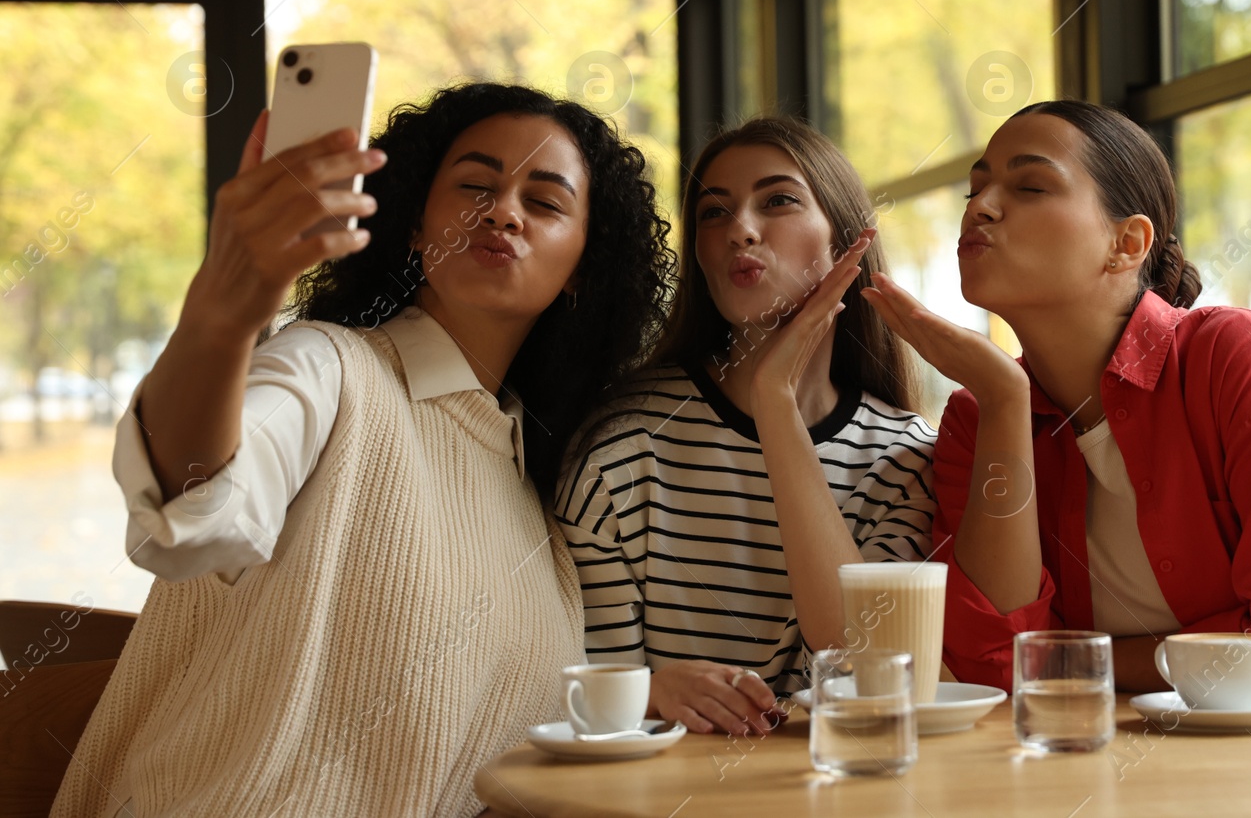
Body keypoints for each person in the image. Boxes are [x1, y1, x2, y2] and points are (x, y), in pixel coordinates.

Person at [52, 83, 676, 818]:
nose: (503, 210)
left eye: (543, 202)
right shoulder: (328, 368)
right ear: (415, 225)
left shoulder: (530, 486)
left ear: (580, 269)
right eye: (475, 185)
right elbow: (192, 508)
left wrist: (646, 689)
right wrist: (224, 311)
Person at [859, 98, 1251, 706]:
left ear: (1127, 242)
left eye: (1031, 185)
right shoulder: (978, 418)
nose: (981, 209)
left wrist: (1067, 660)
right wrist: (1005, 401)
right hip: (1108, 783)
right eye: (975, 190)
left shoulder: (1235, 361)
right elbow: (991, 665)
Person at [556, 116, 937, 737]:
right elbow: (580, 692)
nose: (741, 231)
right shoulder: (623, 445)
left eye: (778, 201)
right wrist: (652, 694)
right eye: (713, 213)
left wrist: (774, 401)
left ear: (849, 241)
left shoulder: (905, 455)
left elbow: (869, 674)